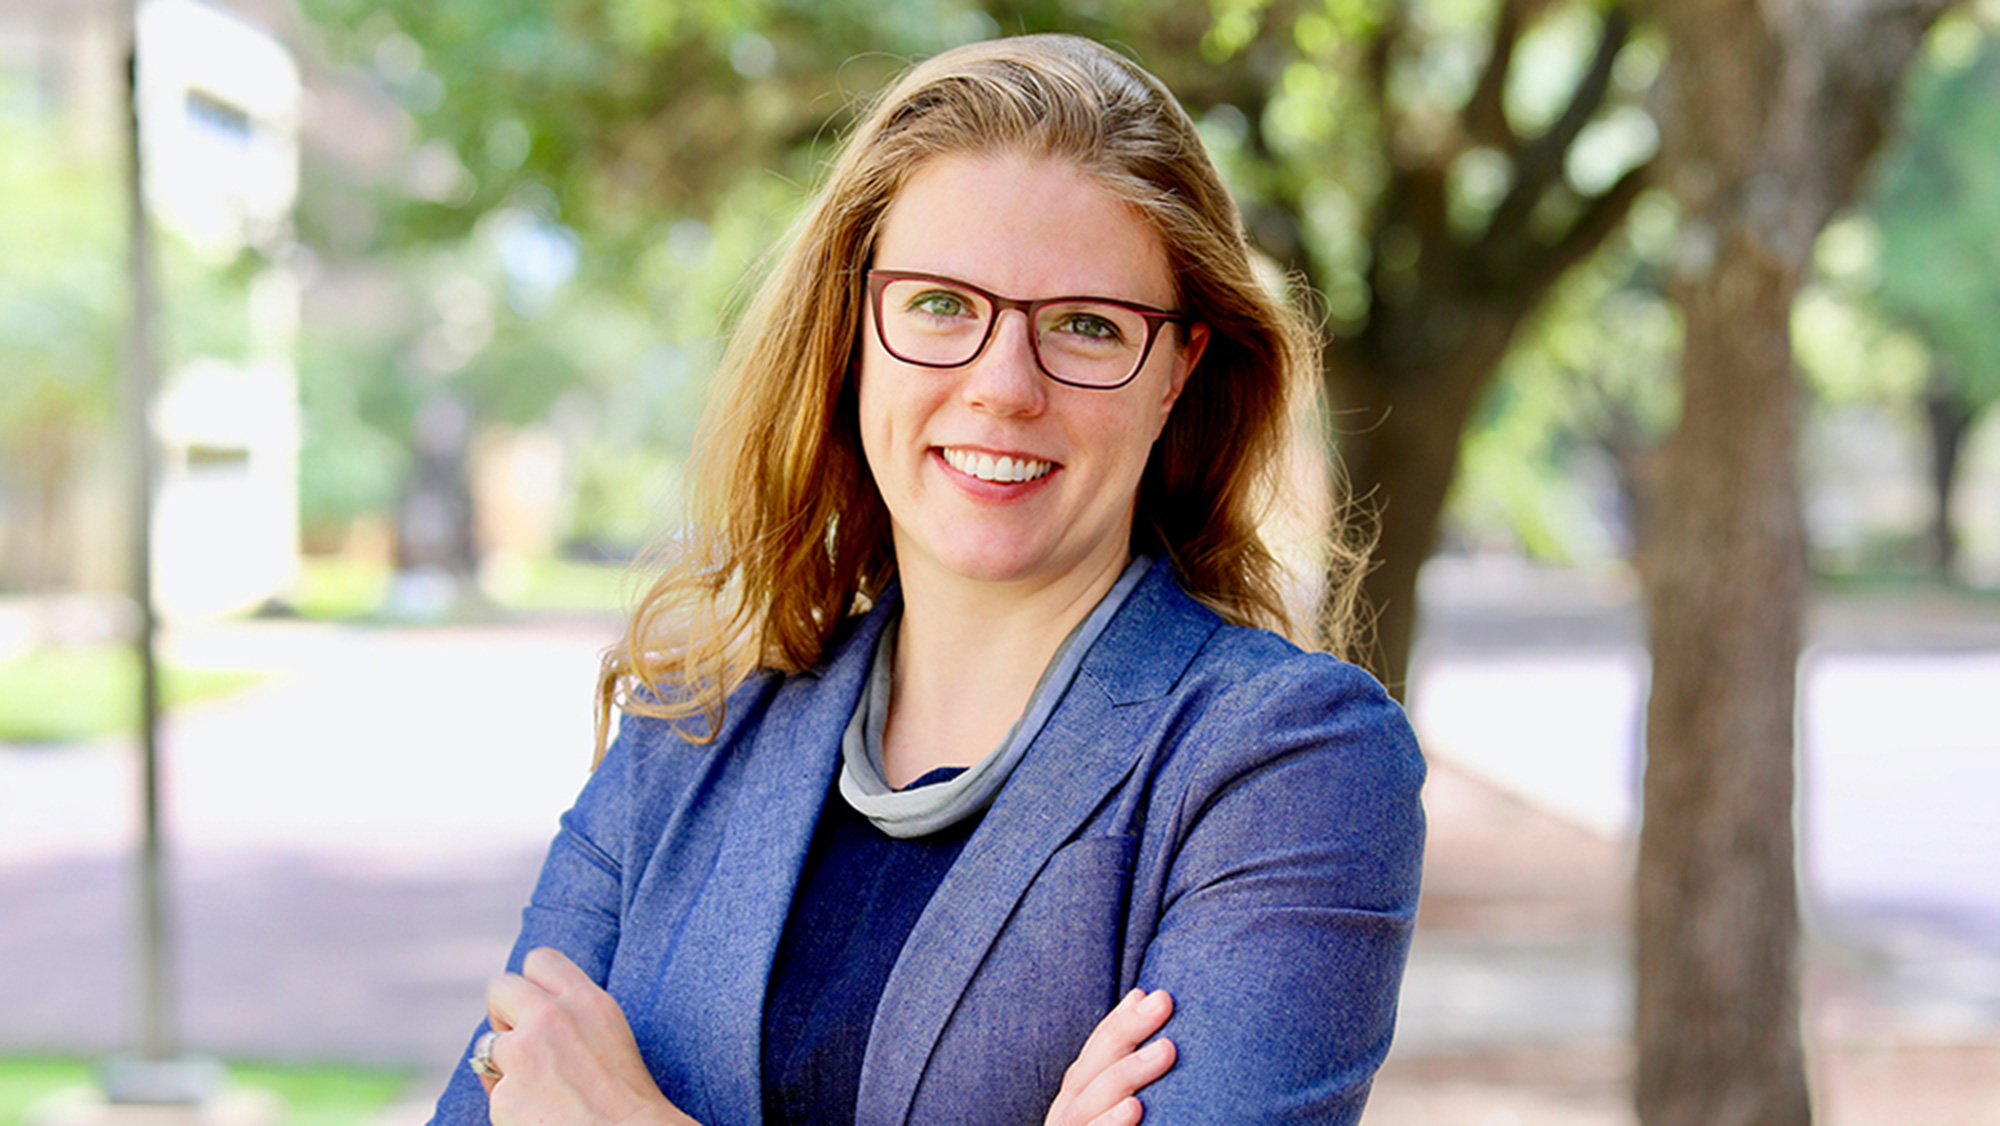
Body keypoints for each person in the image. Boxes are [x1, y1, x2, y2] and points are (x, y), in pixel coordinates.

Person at [429, 32, 1424, 1126]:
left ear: (1178, 373)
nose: (1002, 387)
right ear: (854, 326)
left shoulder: (1284, 763)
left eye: (1087, 327)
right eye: (941, 305)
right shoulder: (691, 723)